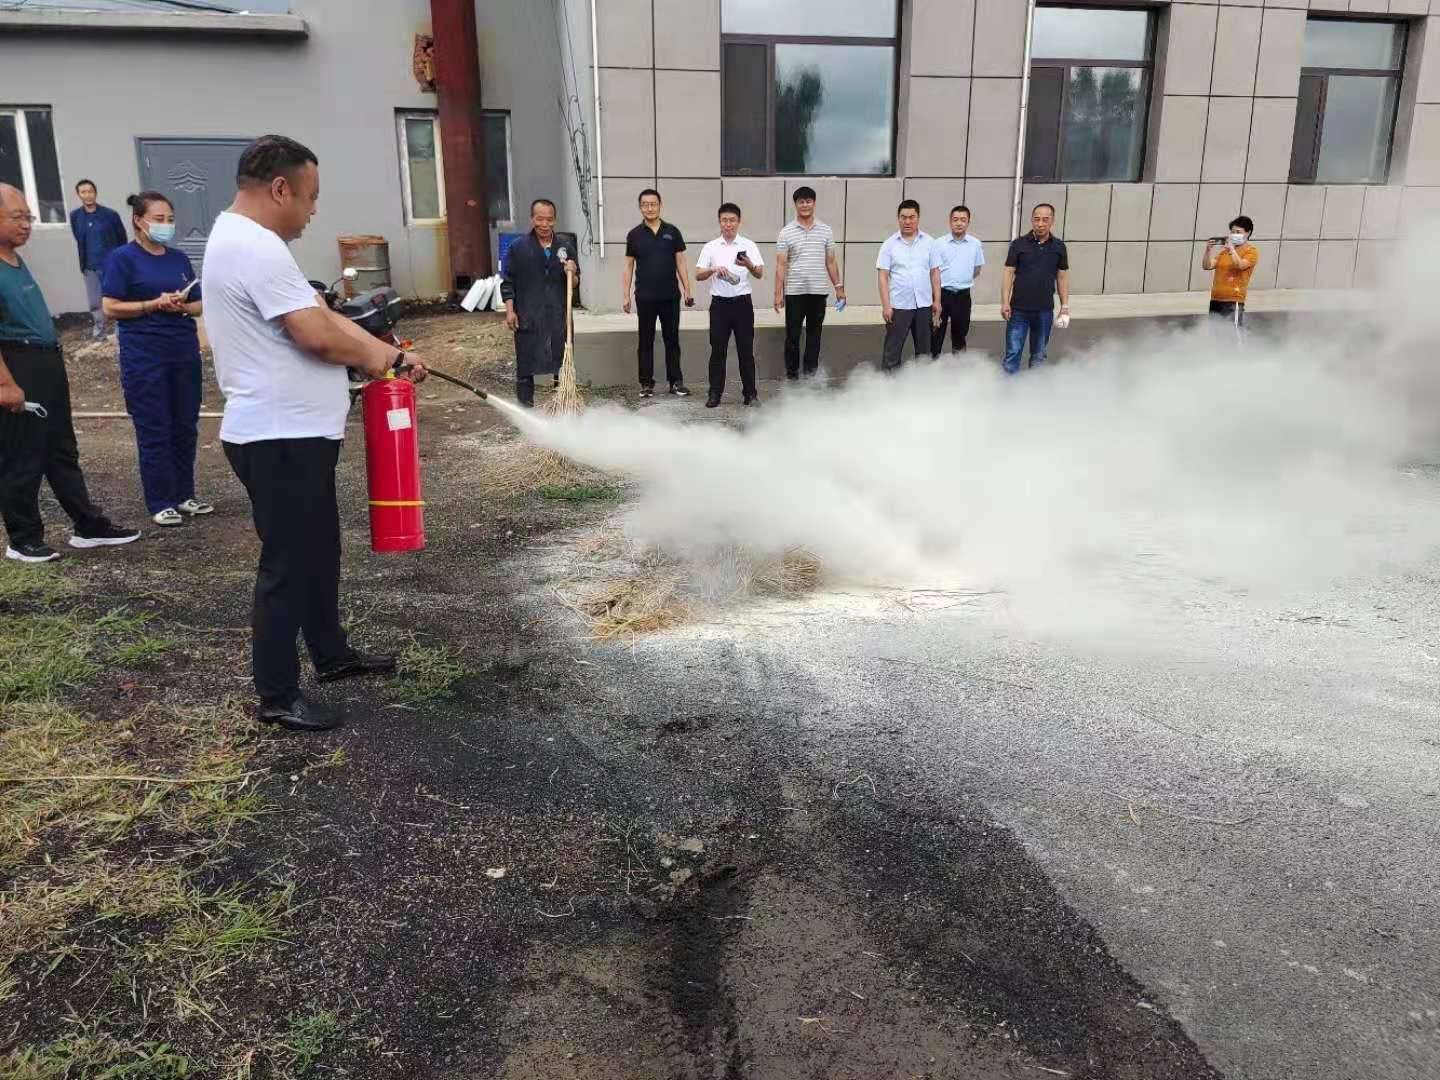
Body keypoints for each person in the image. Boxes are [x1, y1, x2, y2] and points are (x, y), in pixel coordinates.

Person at [203, 135, 428, 733]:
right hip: (277, 437)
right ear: (280, 188)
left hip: (295, 433)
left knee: (318, 551)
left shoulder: (248, 241)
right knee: (287, 564)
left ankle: (330, 655)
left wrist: (385, 353)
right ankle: (277, 694)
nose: (312, 210)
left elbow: (323, 315)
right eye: (310, 197)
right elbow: (317, 335)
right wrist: (386, 360)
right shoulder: (255, 246)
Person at [0, 183, 139, 564]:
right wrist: (5, 383)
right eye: (17, 217)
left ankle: (88, 526)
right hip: (17, 363)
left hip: (45, 361)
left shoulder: (14, 258)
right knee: (22, 454)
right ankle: (23, 537)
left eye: (28, 216)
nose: (26, 224)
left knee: (61, 448)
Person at [101, 192, 210, 527]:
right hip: (145, 355)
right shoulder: (122, 258)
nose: (166, 226)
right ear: (139, 220)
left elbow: (198, 305)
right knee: (155, 427)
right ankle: (160, 500)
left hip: (182, 351)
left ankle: (183, 494)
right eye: (159, 219)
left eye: (170, 219)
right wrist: (152, 304)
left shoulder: (178, 259)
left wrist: (181, 305)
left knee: (184, 426)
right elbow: (110, 308)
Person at [501, 199, 579, 407]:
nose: (544, 224)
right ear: (532, 219)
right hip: (528, 312)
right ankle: (526, 405)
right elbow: (507, 282)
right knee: (526, 362)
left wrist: (572, 272)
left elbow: (575, 283)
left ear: (555, 220)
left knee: (561, 359)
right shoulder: (518, 248)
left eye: (549, 219)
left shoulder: (565, 247)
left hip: (558, 313)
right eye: (540, 219)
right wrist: (510, 311)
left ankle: (562, 402)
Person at [622, 189, 693, 398]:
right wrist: (625, 295)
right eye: (645, 204)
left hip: (670, 296)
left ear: (660, 205)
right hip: (645, 297)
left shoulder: (672, 231)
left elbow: (681, 262)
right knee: (645, 340)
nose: (649, 208)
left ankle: (675, 382)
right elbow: (628, 267)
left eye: (653, 204)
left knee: (672, 339)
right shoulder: (634, 235)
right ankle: (646, 383)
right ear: (640, 207)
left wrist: (687, 289)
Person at [696, 202, 764, 408]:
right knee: (718, 351)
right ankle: (715, 393)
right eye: (724, 220)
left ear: (739, 222)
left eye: (732, 220)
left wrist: (748, 264)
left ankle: (750, 394)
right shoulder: (711, 247)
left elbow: (760, 273)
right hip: (719, 306)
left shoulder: (749, 245)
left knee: (746, 351)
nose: (728, 224)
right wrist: (713, 269)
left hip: (742, 304)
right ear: (719, 222)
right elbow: (698, 274)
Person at [774, 185, 843, 380]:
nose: (805, 205)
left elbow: (831, 261)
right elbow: (781, 264)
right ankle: (792, 373)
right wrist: (778, 293)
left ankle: (810, 373)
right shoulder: (786, 232)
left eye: (808, 201)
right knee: (792, 336)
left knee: (815, 335)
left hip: (818, 291)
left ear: (814, 203)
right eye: (801, 202)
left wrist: (839, 288)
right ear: (795, 205)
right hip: (795, 292)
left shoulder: (826, 230)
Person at [1001, 203, 1070, 374]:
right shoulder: (1018, 244)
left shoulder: (1059, 247)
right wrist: (1004, 302)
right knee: (1013, 353)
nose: (1040, 224)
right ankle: (1006, 392)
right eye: (1037, 219)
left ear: (1052, 221)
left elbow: (1062, 277)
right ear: (1032, 220)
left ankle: (1034, 392)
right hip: (1018, 310)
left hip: (1044, 311)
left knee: (1039, 355)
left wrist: (1065, 307)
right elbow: (1008, 273)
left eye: (1045, 220)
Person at [875, 199, 941, 371]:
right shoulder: (889, 244)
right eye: (903, 217)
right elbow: (883, 276)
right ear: (898, 218)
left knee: (924, 351)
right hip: (899, 306)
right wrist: (886, 306)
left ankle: (921, 386)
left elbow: (935, 273)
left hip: (924, 305)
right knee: (893, 350)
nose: (907, 221)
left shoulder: (929, 242)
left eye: (912, 217)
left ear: (918, 218)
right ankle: (889, 386)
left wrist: (937, 301)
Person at [69, 180, 127, 342]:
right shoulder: (75, 216)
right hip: (89, 265)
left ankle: (120, 331)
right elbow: (78, 238)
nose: (87, 195)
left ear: (96, 193)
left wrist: (119, 262)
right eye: (83, 192)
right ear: (79, 195)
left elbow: (121, 238)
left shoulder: (110, 215)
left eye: (90, 191)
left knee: (115, 297)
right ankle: (99, 332)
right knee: (95, 302)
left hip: (110, 265)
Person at [930, 204, 984, 357]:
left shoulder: (975, 244)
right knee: (935, 335)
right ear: (950, 221)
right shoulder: (939, 243)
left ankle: (959, 371)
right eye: (955, 220)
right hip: (942, 295)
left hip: (963, 296)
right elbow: (934, 271)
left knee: (960, 335)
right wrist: (937, 300)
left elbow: (977, 269)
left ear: (968, 222)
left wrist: (961, 280)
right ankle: (932, 370)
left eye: (963, 220)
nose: (959, 223)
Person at [1203, 215, 1258, 336]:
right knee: (1215, 334)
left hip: (1233, 300)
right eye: (1232, 232)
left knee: (1233, 334)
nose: (1234, 235)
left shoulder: (1251, 251)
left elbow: (1240, 265)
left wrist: (1232, 250)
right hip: (1216, 299)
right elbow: (1207, 265)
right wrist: (1208, 251)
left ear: (1248, 233)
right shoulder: (1224, 252)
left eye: (1238, 232)